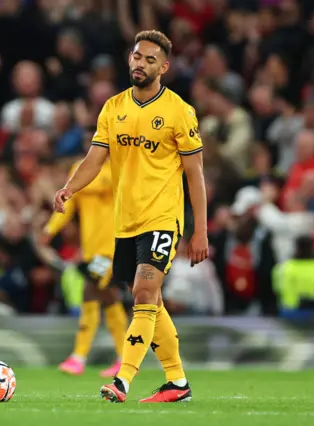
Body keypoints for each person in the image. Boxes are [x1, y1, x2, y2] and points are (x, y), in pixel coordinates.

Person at [53, 30, 208, 403]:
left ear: (164, 67)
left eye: (150, 59)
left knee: (142, 291)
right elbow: (95, 158)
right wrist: (69, 188)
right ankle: (177, 382)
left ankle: (122, 379)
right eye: (137, 56)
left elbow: (195, 174)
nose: (140, 63)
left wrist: (199, 230)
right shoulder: (113, 107)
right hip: (126, 221)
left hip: (162, 217)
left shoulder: (179, 111)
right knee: (150, 302)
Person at [41, 139, 127, 378]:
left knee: (91, 290)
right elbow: (68, 204)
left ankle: (79, 356)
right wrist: (50, 229)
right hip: (91, 249)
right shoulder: (80, 170)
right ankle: (124, 358)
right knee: (108, 298)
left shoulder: (120, 168)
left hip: (112, 246)